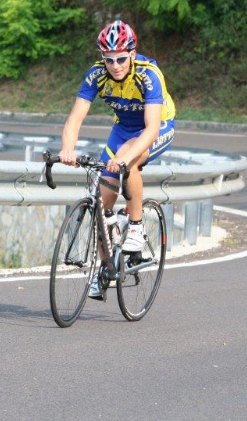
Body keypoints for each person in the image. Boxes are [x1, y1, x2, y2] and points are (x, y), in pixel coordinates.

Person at [59, 19, 176, 298]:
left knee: (127, 162)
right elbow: (75, 118)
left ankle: (136, 227)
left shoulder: (148, 74)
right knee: (101, 204)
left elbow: (151, 128)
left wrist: (126, 158)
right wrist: (67, 149)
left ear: (132, 54)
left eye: (121, 58)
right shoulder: (96, 75)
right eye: (108, 59)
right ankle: (106, 268)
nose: (115, 65)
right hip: (122, 130)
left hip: (156, 127)